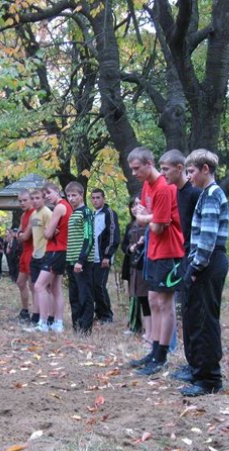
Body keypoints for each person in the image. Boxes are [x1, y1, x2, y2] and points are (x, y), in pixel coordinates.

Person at [128, 146, 184, 375]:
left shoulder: (163, 188)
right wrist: (146, 218)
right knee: (152, 299)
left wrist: (144, 217)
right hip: (153, 250)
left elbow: (158, 226)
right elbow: (144, 217)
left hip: (169, 250)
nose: (133, 173)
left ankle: (162, 355)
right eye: (131, 169)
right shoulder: (147, 186)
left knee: (165, 303)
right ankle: (153, 350)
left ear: (148, 163)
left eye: (136, 168)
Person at [179, 149, 229, 396]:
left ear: (205, 169)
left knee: (204, 320)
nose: (188, 177)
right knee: (196, 316)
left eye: (191, 171)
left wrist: (196, 267)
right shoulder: (207, 194)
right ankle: (198, 369)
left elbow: (207, 238)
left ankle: (209, 379)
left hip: (209, 263)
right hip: (206, 262)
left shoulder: (211, 195)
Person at [159, 149, 202, 377]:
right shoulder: (177, 193)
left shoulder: (195, 193)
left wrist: (195, 263)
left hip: (196, 259)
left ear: (179, 168)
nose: (162, 173)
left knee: (196, 314)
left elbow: (201, 231)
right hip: (185, 257)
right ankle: (190, 362)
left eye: (165, 169)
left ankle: (198, 366)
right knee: (186, 312)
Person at [33, 181, 73, 333]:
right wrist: (51, 230)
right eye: (44, 195)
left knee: (39, 286)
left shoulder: (59, 207)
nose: (47, 197)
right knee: (55, 288)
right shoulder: (67, 206)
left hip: (56, 250)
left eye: (48, 193)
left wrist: (48, 230)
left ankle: (43, 323)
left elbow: (48, 234)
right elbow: (53, 231)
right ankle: (58, 323)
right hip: (62, 251)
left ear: (57, 191)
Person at [65, 181, 95, 334]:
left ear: (81, 195)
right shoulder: (72, 214)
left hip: (82, 262)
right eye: (68, 195)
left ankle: (85, 328)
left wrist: (80, 261)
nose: (71, 198)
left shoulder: (86, 212)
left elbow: (89, 238)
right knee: (74, 296)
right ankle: (76, 327)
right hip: (70, 261)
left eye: (74, 195)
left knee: (85, 295)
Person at [121, 197, 151, 340]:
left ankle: (148, 330)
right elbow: (124, 245)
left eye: (138, 205)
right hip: (132, 264)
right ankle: (134, 325)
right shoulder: (129, 226)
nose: (135, 208)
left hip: (144, 265)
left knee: (145, 298)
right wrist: (130, 248)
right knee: (134, 296)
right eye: (133, 205)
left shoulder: (148, 225)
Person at [89, 188, 120, 324]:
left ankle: (107, 316)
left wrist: (107, 255)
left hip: (103, 257)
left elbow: (113, 235)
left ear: (103, 198)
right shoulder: (92, 215)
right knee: (93, 286)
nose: (95, 200)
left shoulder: (109, 213)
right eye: (93, 198)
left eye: (98, 197)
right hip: (92, 258)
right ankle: (99, 313)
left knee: (99, 285)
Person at [25, 188, 52, 328]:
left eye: (37, 198)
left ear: (43, 198)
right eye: (32, 198)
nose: (35, 201)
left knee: (46, 288)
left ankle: (48, 319)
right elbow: (28, 233)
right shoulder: (33, 214)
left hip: (46, 254)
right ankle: (36, 317)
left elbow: (52, 232)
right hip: (35, 254)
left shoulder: (47, 213)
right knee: (35, 287)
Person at [15, 191, 35, 323]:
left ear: (31, 200)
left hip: (34, 251)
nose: (22, 203)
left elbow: (25, 236)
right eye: (20, 201)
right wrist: (20, 235)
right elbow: (19, 233)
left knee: (33, 285)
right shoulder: (23, 215)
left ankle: (38, 313)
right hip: (25, 251)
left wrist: (21, 235)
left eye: (24, 200)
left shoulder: (34, 213)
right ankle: (25, 311)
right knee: (20, 282)